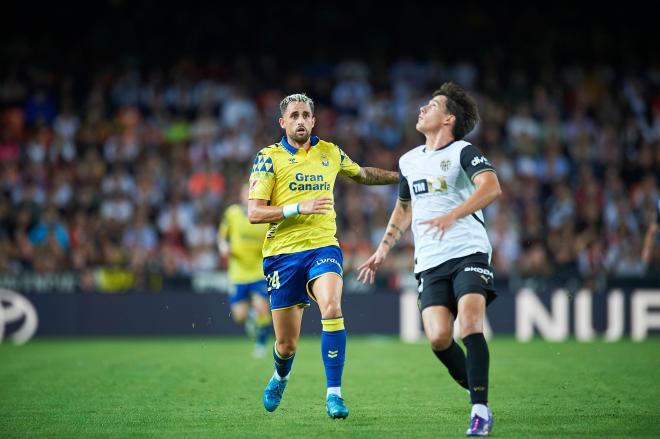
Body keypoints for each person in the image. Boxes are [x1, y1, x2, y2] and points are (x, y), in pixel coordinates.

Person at [357, 82, 502, 436]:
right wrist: (381, 250)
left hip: (468, 250)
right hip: (430, 262)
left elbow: (491, 187)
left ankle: (479, 412)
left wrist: (454, 215)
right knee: (438, 338)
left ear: (448, 118)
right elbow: (403, 209)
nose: (423, 109)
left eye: (432, 105)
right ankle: (477, 389)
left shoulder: (464, 152)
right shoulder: (408, 161)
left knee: (469, 324)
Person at [247, 93, 398, 419]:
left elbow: (363, 175)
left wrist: (404, 178)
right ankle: (280, 376)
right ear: (283, 122)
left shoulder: (330, 151)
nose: (300, 120)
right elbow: (255, 213)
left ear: (314, 121)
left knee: (332, 305)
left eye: (306, 115)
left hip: (323, 247)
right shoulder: (268, 158)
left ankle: (334, 395)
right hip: (282, 255)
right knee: (286, 345)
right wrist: (297, 208)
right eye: (294, 115)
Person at [218, 183, 271, 358]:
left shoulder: (266, 218)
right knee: (239, 316)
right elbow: (222, 237)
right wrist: (224, 247)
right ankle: (250, 317)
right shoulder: (232, 213)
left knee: (262, 307)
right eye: (247, 192)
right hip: (238, 272)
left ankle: (261, 345)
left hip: (257, 270)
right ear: (241, 195)